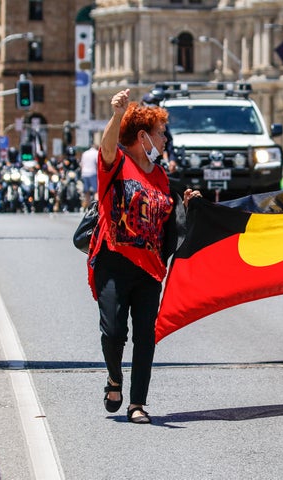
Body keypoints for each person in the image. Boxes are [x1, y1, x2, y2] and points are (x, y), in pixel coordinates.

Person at [87, 89, 201, 424]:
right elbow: (107, 147)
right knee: (113, 332)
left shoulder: (161, 176)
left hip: (150, 269)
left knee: (145, 336)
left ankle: (137, 403)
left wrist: (188, 206)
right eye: (161, 133)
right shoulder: (117, 164)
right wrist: (117, 114)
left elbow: (168, 220)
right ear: (142, 136)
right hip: (114, 260)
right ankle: (113, 378)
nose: (165, 139)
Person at [80, 143, 99, 209]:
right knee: (96, 190)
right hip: (93, 173)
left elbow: (82, 164)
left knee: (86, 191)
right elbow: (98, 164)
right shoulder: (96, 153)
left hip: (84, 173)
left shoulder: (85, 153)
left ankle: (87, 206)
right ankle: (96, 205)